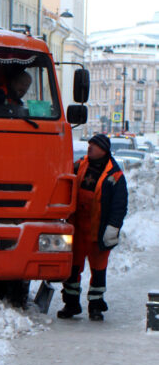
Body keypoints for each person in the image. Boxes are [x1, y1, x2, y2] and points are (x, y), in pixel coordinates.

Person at [58, 133, 128, 321]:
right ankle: (71, 304)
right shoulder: (81, 164)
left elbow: (119, 205)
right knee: (73, 268)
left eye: (94, 146)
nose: (90, 148)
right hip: (77, 228)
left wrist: (113, 227)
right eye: (89, 144)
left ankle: (96, 306)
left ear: (103, 150)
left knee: (98, 269)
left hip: (99, 230)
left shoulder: (115, 174)